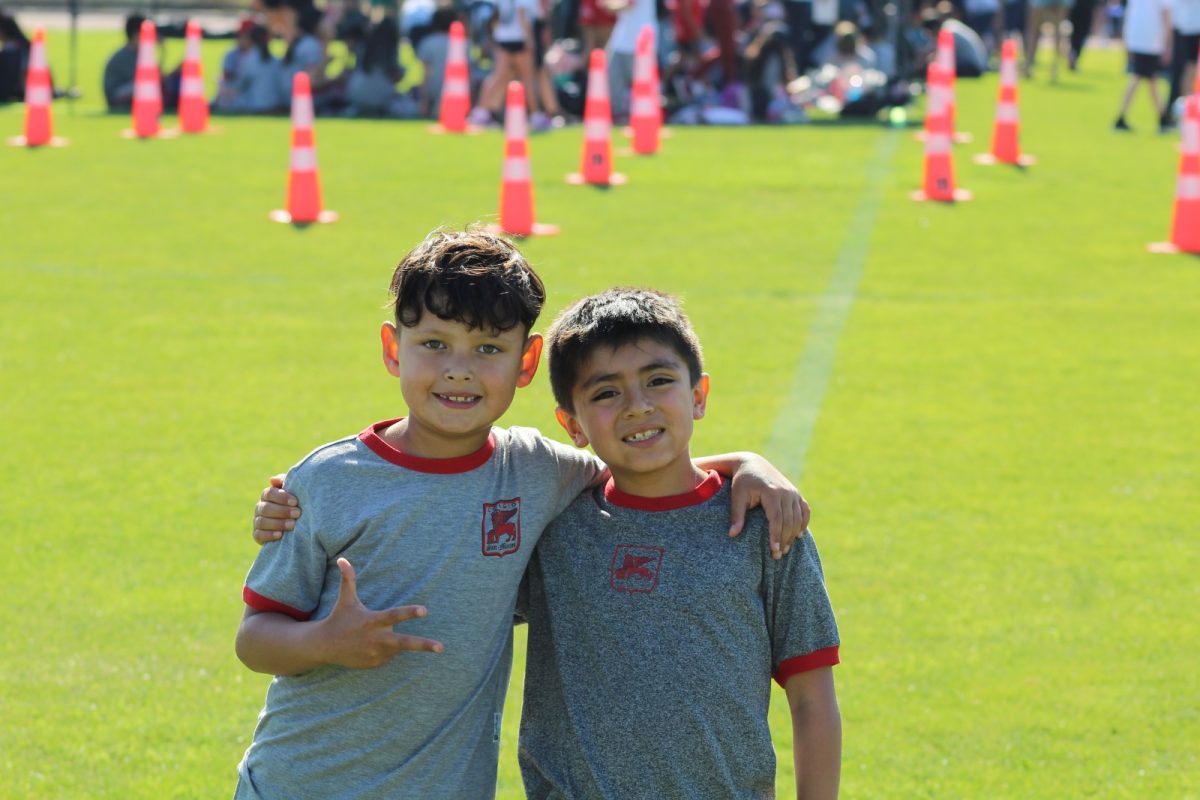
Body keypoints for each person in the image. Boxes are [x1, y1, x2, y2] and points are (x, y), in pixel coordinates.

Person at [237, 229, 811, 799]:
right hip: (298, 783)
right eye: (434, 344)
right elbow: (254, 638)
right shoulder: (325, 482)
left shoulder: (535, 471)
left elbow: (640, 460)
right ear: (393, 348)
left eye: (488, 349)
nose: (459, 370)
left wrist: (746, 463)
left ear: (526, 361)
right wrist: (325, 642)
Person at [518, 287, 841, 799]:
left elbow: (812, 696)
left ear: (698, 396)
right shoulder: (552, 527)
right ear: (573, 425)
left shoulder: (765, 525)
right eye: (607, 393)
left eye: (659, 381)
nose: (637, 406)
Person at [1113, 0, 1171, 131]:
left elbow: (1129, 13)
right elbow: (1166, 14)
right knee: (1138, 77)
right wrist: (1168, 43)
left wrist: (1127, 38)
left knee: (1150, 80)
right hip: (1152, 40)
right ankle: (1120, 117)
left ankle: (1163, 118)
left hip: (1138, 38)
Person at [215, 20, 286, 114]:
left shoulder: (250, 59)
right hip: (275, 103)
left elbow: (239, 85)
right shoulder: (276, 61)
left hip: (256, 105)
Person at [1160, 0, 1200, 128]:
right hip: (1181, 28)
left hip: (1194, 27)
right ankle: (1178, 111)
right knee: (1180, 72)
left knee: (1191, 70)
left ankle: (1189, 109)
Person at [103, 13, 145, 111]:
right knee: (145, 84)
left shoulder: (137, 53)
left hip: (125, 91)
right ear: (136, 34)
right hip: (115, 97)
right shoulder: (125, 55)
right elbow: (143, 79)